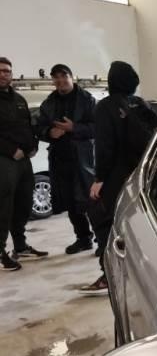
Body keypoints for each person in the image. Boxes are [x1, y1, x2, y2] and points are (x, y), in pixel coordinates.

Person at [80, 61, 157, 295]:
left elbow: (104, 146)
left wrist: (99, 179)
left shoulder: (105, 107)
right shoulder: (140, 104)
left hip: (117, 175)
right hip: (142, 174)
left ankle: (110, 274)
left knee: (103, 220)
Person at [37, 64, 97, 254]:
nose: (60, 80)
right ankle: (83, 238)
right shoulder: (48, 104)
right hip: (60, 160)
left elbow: (97, 128)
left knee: (93, 201)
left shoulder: (87, 100)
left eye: (64, 76)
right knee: (71, 203)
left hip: (84, 160)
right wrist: (49, 133)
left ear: (72, 77)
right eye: (56, 77)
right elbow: (38, 127)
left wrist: (74, 128)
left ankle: (104, 240)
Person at [0, 56, 48, 271]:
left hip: (23, 160)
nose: (3, 74)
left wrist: (33, 146)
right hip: (4, 159)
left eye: (7, 71)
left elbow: (28, 126)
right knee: (3, 206)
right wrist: (11, 151)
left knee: (23, 203)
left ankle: (20, 246)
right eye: (0, 71)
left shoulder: (19, 99)